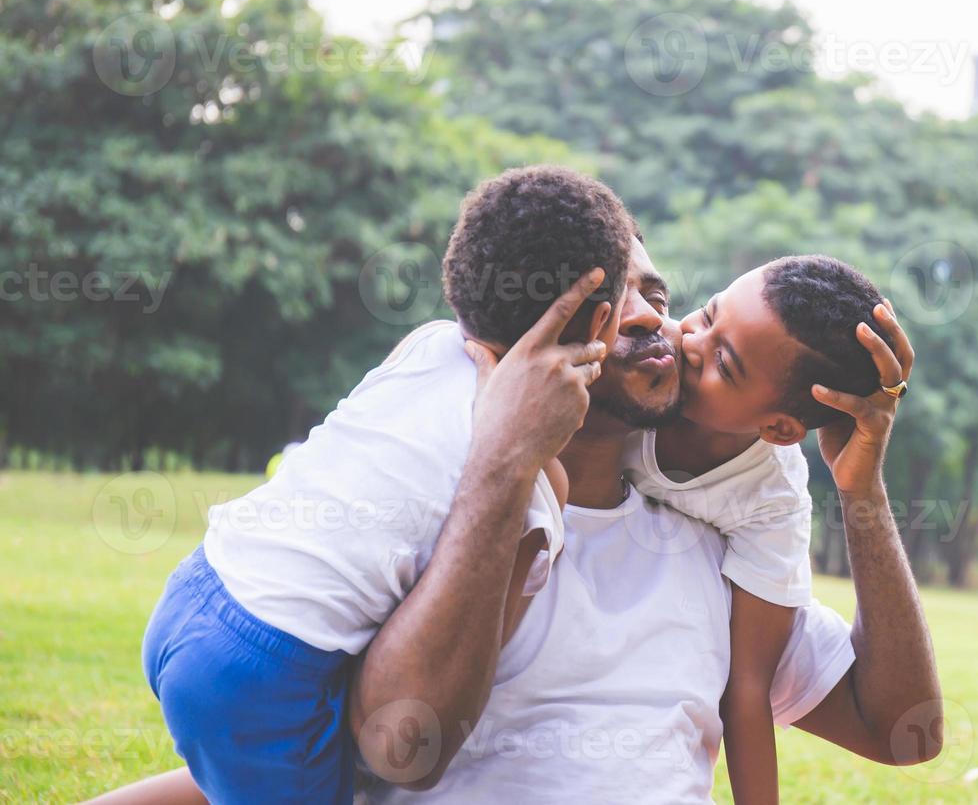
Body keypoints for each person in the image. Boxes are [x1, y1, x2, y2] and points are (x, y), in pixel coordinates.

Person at [351, 238, 943, 801]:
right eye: (606, 303)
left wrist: (861, 492)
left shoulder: (734, 533)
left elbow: (901, 728)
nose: (671, 332)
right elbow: (392, 744)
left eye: (657, 300)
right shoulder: (456, 513)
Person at [122, 166, 637, 805]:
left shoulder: (424, 346)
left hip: (197, 590)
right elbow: (468, 654)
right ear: (603, 324)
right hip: (267, 669)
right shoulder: (530, 480)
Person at [626, 254, 898, 803]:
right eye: (706, 314)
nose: (688, 341)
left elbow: (747, 690)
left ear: (778, 427)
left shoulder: (772, 496)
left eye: (722, 365)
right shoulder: (634, 371)